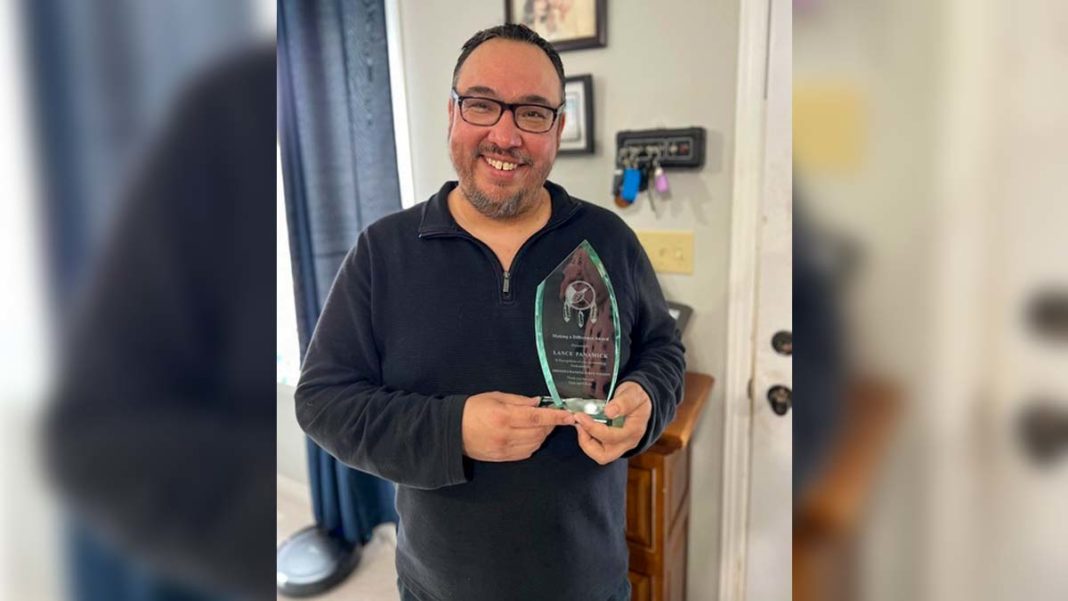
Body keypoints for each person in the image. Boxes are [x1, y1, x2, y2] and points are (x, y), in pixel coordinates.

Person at [295, 24, 685, 601]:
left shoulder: (609, 240)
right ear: (451, 113)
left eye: (532, 112)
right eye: (481, 105)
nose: (505, 135)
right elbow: (322, 402)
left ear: (557, 128)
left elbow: (663, 350)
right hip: (438, 587)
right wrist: (453, 430)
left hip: (588, 584)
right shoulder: (383, 251)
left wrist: (647, 399)